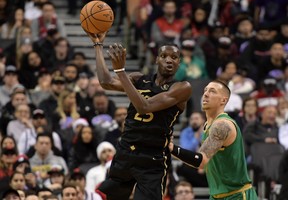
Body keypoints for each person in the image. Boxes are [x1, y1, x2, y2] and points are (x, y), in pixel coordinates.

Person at [87, 32, 192, 199]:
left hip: (152, 157)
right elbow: (106, 82)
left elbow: (145, 107)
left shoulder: (182, 88)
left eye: (174, 57)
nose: (169, 60)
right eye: (164, 56)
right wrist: (98, 45)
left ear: (179, 63)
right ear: (157, 59)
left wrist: (121, 71)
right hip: (126, 150)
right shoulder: (139, 79)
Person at [169, 80, 258, 199]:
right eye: (205, 90)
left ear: (223, 100)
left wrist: (171, 148)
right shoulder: (207, 125)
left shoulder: (222, 125)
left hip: (237, 195)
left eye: (212, 91)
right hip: (218, 195)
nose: (205, 94)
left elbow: (201, 161)